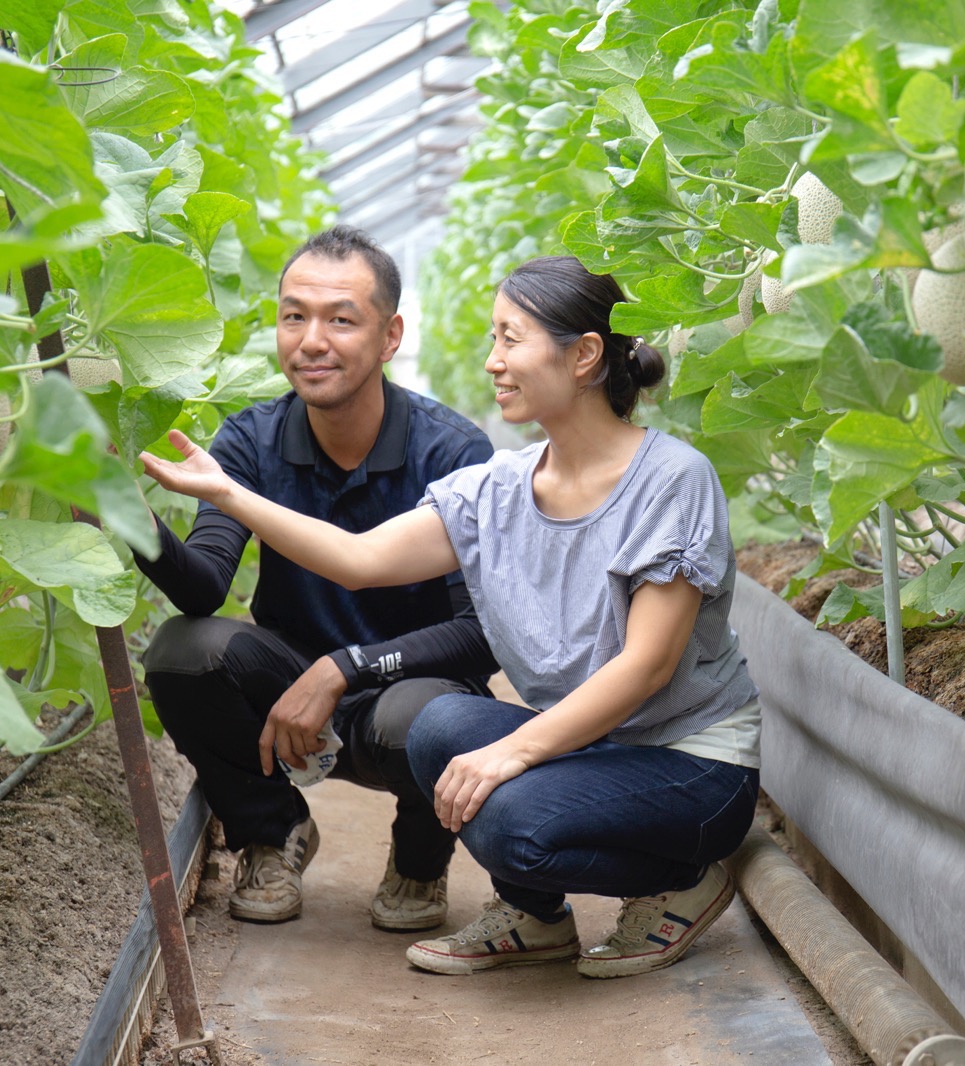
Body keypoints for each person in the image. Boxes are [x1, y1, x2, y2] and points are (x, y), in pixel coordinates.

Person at [140, 255, 761, 980]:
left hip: (688, 765)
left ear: (585, 355)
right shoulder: (497, 488)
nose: (494, 362)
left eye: (511, 338)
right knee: (441, 732)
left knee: (513, 822)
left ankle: (683, 881)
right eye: (494, 340)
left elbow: (647, 664)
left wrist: (513, 752)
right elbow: (358, 558)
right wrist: (228, 494)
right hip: (591, 750)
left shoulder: (671, 479)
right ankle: (538, 919)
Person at [133, 225, 497, 929]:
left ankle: (420, 861)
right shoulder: (250, 440)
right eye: (293, 315)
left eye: (340, 319)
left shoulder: (454, 451)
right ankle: (272, 832)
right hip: (290, 695)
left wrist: (345, 667)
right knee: (184, 653)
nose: (311, 340)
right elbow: (205, 585)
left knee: (428, 716)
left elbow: (480, 635)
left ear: (390, 337)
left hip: (409, 689)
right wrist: (128, 517)